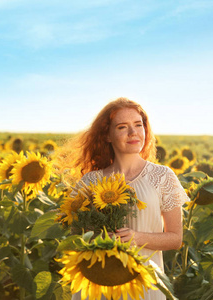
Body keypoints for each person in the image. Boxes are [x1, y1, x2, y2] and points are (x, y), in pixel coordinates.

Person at [68, 97, 188, 300]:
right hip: (99, 283)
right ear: (107, 135)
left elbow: (176, 238)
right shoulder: (89, 182)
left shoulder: (162, 176)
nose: (133, 133)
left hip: (143, 284)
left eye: (138, 125)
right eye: (123, 127)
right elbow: (76, 236)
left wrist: (138, 238)